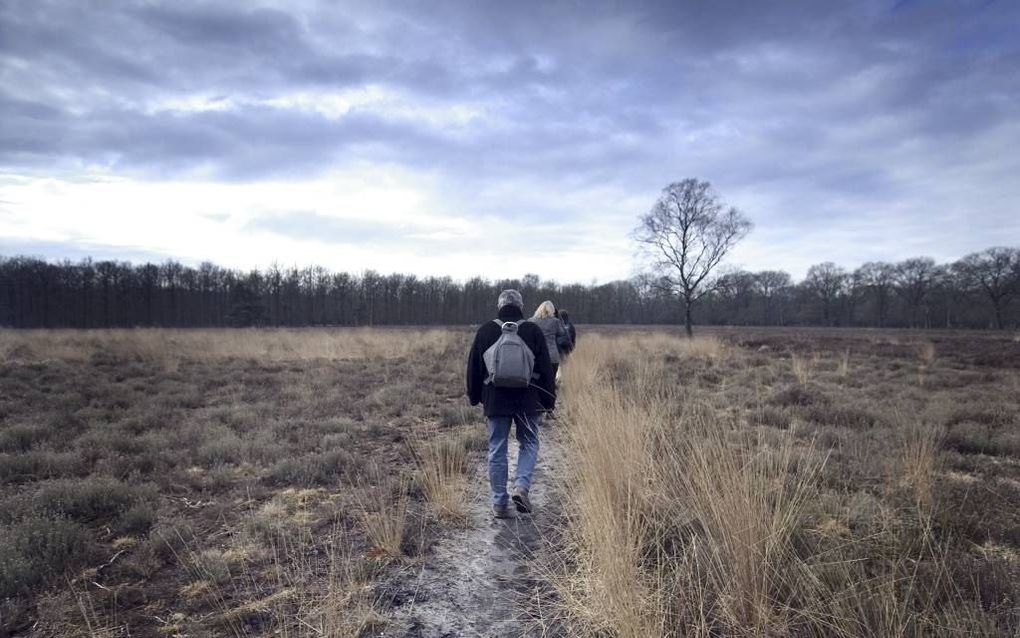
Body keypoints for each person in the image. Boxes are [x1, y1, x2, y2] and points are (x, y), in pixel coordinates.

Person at [466, 289, 556, 519]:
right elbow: (546, 370)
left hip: (496, 401)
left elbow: (474, 368)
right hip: (528, 400)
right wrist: (548, 401)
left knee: (497, 448)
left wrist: (475, 396)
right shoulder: (532, 330)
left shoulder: (486, 330)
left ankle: (499, 503)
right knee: (529, 443)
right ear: (521, 306)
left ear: (500, 305)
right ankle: (521, 487)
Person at [529, 300, 568, 382]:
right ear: (552, 311)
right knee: (550, 382)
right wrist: (559, 319)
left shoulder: (531, 321)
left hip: (535, 357)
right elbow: (562, 333)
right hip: (552, 357)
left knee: (536, 383)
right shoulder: (555, 321)